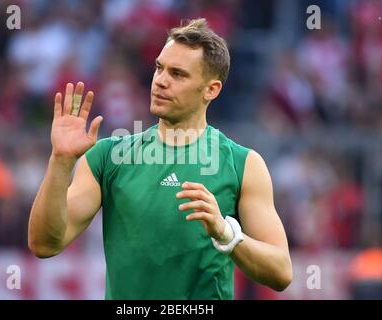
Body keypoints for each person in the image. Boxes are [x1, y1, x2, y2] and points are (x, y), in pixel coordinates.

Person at [28, 18, 292, 299]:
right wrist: (60, 161)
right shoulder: (109, 157)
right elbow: (44, 244)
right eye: (159, 68)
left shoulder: (243, 165)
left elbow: (281, 272)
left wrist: (227, 234)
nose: (161, 81)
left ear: (211, 90)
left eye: (178, 74)